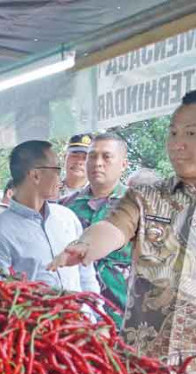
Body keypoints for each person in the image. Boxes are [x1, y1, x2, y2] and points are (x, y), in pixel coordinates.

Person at [49, 91, 196, 359]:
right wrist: (85, 245)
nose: (178, 144)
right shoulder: (147, 197)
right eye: (173, 134)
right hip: (144, 352)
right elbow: (113, 228)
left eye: (190, 134)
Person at [0, 140, 100, 295]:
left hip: (83, 317)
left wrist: (95, 312)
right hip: (40, 318)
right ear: (36, 175)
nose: (60, 179)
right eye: (57, 170)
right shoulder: (0, 233)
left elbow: (86, 276)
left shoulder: (67, 218)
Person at [60, 133, 133, 326]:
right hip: (76, 321)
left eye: (106, 157)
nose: (97, 163)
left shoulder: (139, 207)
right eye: (92, 156)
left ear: (124, 164)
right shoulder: (64, 208)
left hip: (124, 321)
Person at [58, 133, 92, 198]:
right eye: (74, 156)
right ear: (65, 157)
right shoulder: (48, 190)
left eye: (85, 158)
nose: (78, 162)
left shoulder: (98, 197)